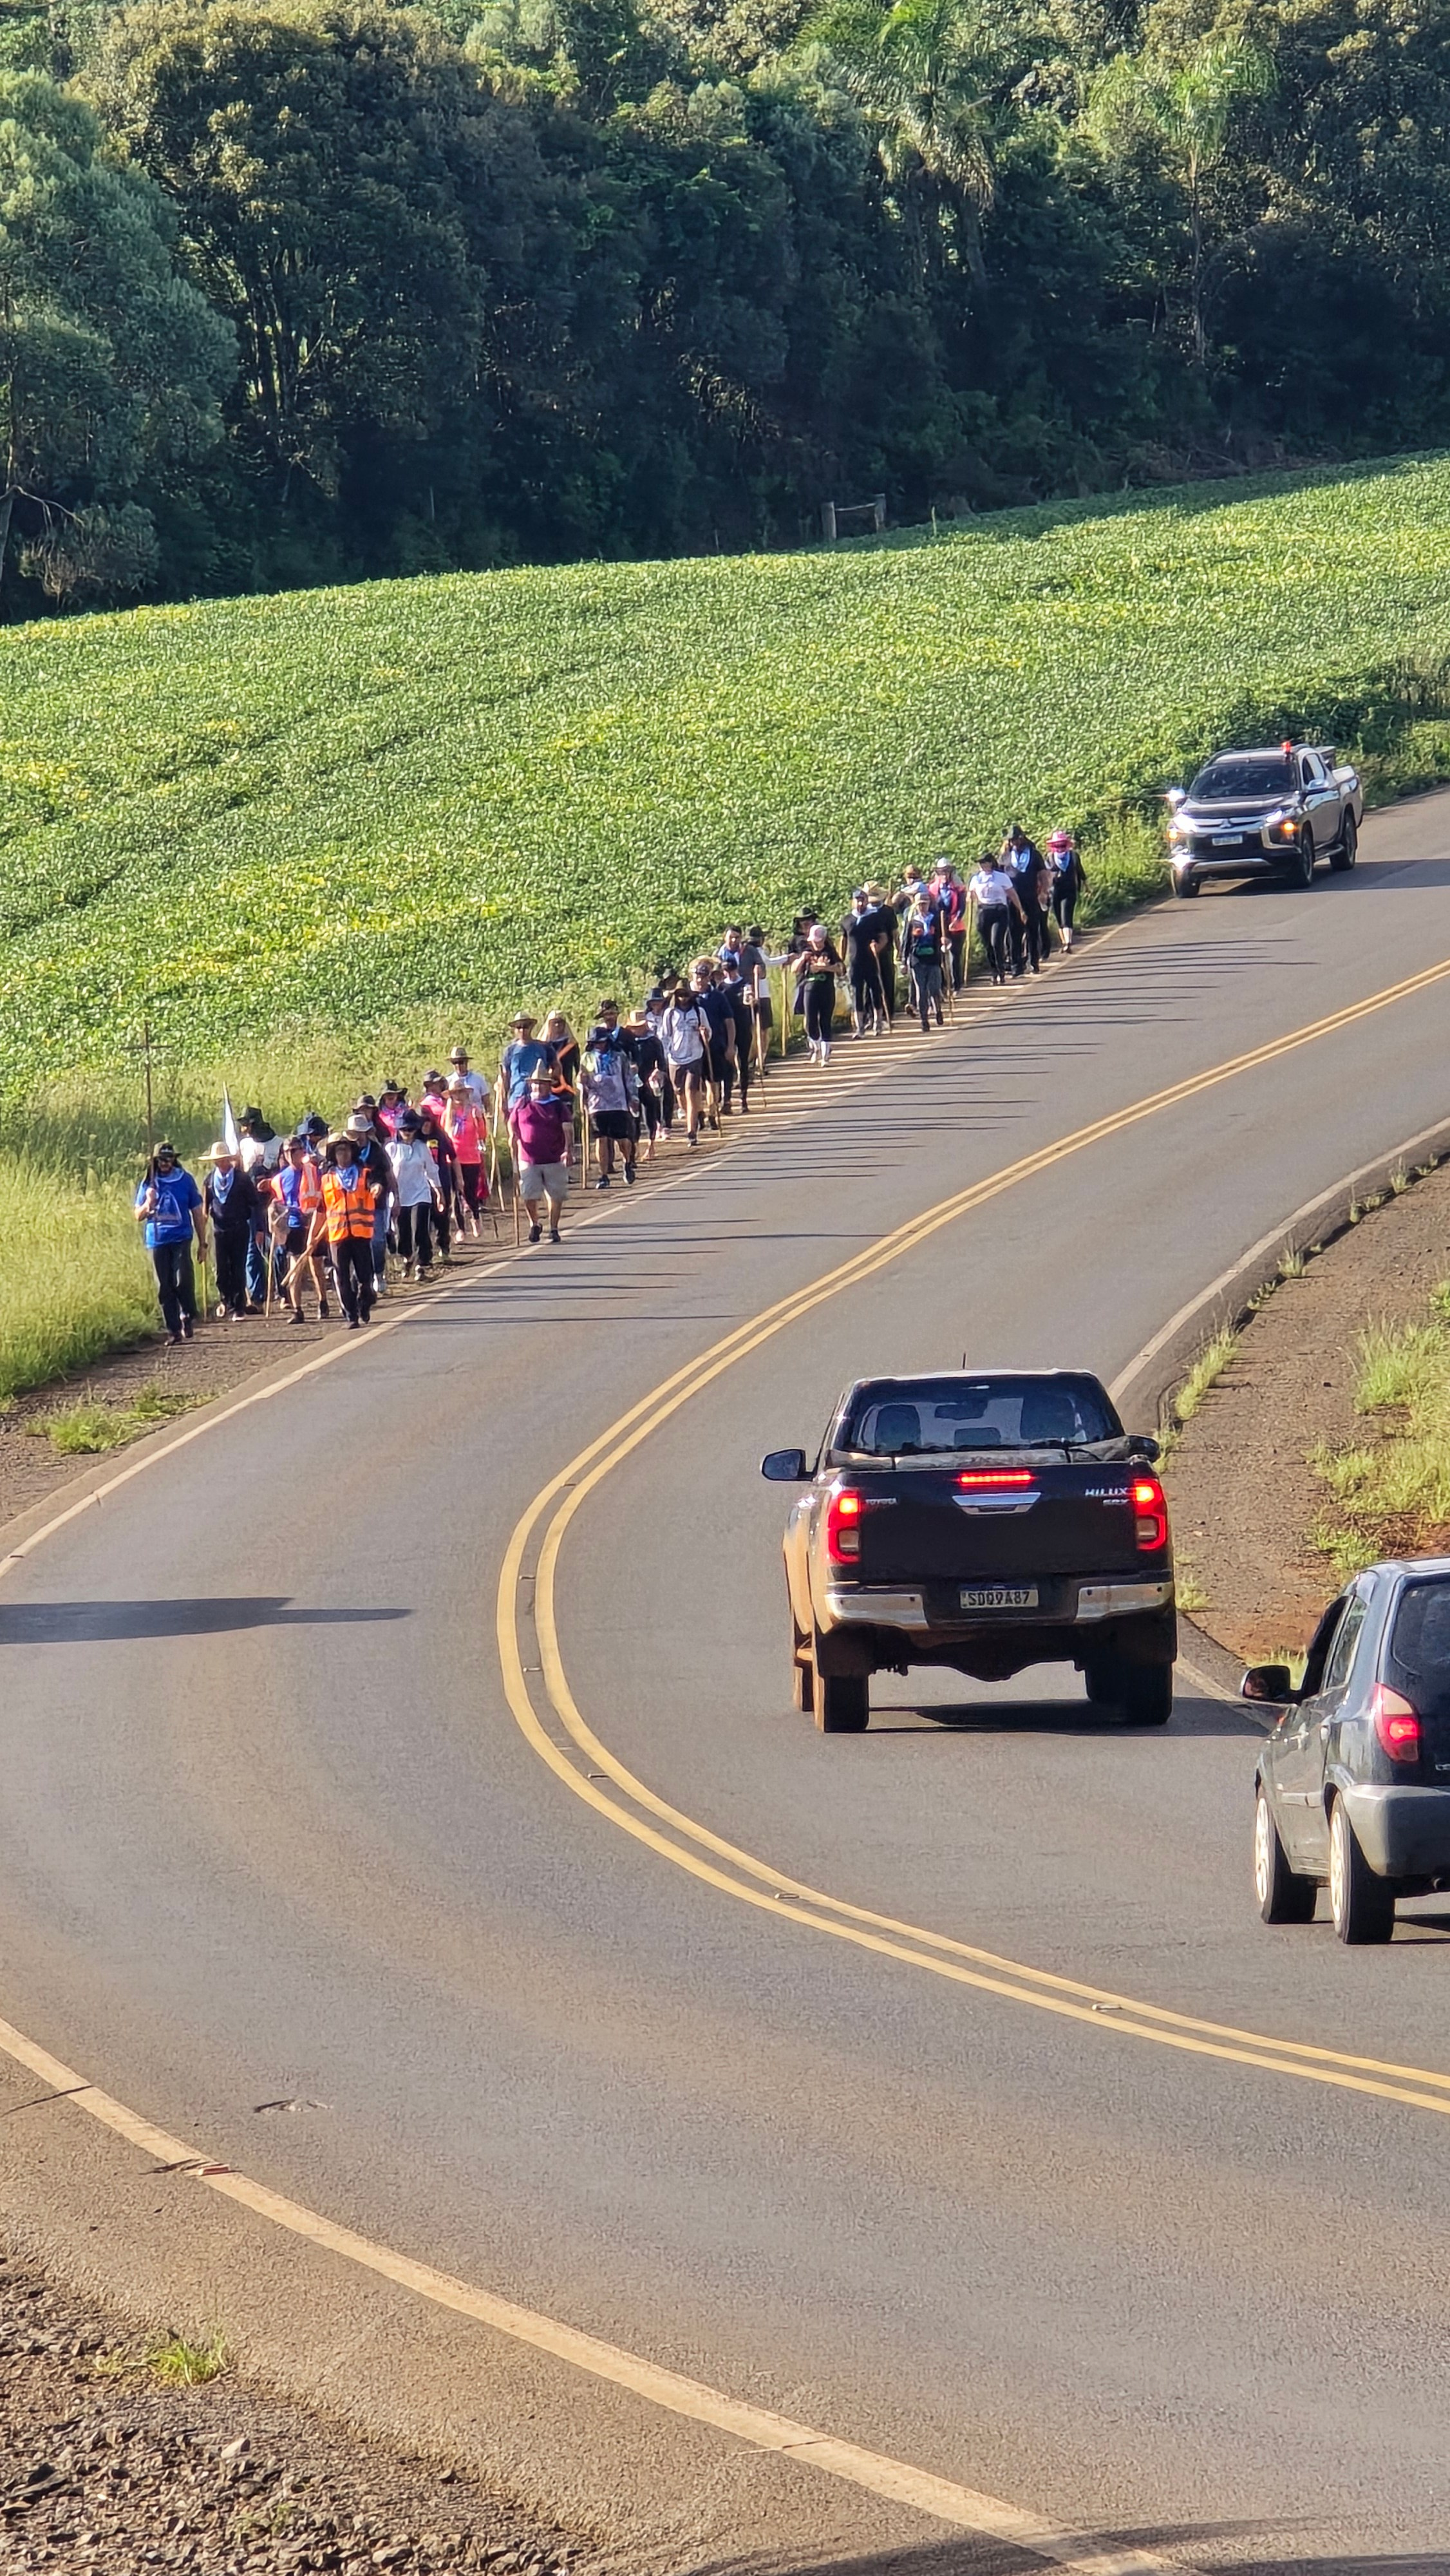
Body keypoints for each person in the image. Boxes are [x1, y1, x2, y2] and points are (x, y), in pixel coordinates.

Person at [133, 1141, 203, 1344]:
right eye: (161, 1160)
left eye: (169, 1159)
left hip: (181, 1236)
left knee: (183, 1281)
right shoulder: (148, 1183)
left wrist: (203, 1242)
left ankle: (187, 1314)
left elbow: (197, 1212)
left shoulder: (185, 1180)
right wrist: (148, 1203)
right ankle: (173, 1330)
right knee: (165, 1286)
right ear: (155, 1161)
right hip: (157, 1239)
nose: (165, 1163)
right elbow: (138, 1215)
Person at [311, 1130, 381, 1328]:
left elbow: (375, 1184)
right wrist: (313, 1237)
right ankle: (351, 1316)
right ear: (333, 1154)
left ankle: (365, 1301)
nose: (344, 1154)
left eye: (347, 1149)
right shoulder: (327, 1180)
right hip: (337, 1236)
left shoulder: (364, 1173)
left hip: (361, 1234)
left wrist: (376, 1189)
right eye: (339, 1150)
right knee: (341, 1276)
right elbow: (321, 1210)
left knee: (365, 1277)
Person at [509, 1068, 571, 1242]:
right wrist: (514, 1138)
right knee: (528, 1195)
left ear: (548, 1086)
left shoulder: (557, 1105)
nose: (538, 1087)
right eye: (535, 1083)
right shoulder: (523, 1103)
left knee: (555, 1195)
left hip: (554, 1157)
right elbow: (512, 1123)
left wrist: (568, 1150)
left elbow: (567, 1128)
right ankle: (534, 1223)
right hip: (528, 1158)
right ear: (531, 1085)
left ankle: (554, 1228)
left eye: (542, 1084)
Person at [203, 1143, 263, 1321]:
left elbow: (255, 1205)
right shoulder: (209, 1180)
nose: (219, 1163)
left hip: (239, 1228)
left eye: (222, 1159)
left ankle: (238, 1307)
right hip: (219, 1230)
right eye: (216, 1160)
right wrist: (202, 1227)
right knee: (222, 1270)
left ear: (228, 1159)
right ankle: (226, 1301)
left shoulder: (242, 1179)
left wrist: (260, 1228)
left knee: (238, 1268)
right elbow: (206, 1206)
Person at [269, 1133, 326, 1322]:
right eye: (287, 1151)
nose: (290, 1154)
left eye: (294, 1150)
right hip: (294, 1226)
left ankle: (323, 1301)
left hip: (314, 1222)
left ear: (302, 1151)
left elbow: (322, 1193)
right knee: (296, 1267)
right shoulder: (280, 1179)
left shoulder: (314, 1171)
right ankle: (297, 1310)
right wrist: (275, 1214)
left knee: (317, 1265)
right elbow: (279, 1202)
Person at [581, 1003, 638, 1188]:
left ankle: (627, 1162)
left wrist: (633, 1098)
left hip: (618, 1103)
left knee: (622, 1140)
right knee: (601, 1139)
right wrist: (582, 1086)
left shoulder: (619, 1056)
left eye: (603, 1041)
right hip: (597, 1105)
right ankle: (603, 1175)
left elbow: (628, 1078)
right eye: (597, 1042)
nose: (600, 1045)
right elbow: (581, 1082)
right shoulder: (587, 1059)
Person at [388, 1110, 446, 1278]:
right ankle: (408, 1258)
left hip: (420, 1194)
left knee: (420, 1229)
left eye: (411, 1129)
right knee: (403, 1235)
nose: (407, 1133)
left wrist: (439, 1192)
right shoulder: (391, 1149)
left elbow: (432, 1171)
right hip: (399, 1198)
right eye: (404, 1129)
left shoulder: (422, 1148)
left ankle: (420, 1265)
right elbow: (386, 1174)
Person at [237, 1106, 283, 1308]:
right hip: (250, 1203)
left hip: (274, 1201)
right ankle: (257, 1296)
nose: (245, 1129)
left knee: (278, 1247)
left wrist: (271, 1182)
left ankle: (284, 1292)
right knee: (252, 1248)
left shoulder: (278, 1143)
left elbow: (284, 1173)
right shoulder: (244, 1145)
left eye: (247, 1124)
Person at [659, 983, 710, 1145]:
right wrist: (666, 1055)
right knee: (679, 1092)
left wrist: (704, 1033)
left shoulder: (699, 1012)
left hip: (695, 1055)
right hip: (675, 1058)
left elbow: (709, 1032)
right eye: (680, 995)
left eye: (686, 995)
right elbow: (664, 1036)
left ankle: (691, 1132)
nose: (683, 998)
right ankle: (695, 1115)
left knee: (690, 1091)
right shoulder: (670, 1014)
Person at [968, 851, 1023, 985]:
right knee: (987, 945)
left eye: (984, 862)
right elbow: (971, 894)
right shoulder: (976, 879)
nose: (982, 865)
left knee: (996, 942)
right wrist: (970, 898)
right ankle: (994, 971)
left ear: (991, 863)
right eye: (980, 863)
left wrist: (1021, 910)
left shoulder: (1001, 877)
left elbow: (1012, 894)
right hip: (983, 912)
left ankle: (1001, 970)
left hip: (999, 911)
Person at [690, 960, 737, 1117]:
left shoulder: (718, 997)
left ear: (708, 977)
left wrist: (730, 1046)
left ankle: (712, 1113)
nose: (699, 980)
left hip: (715, 1045)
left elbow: (729, 1021)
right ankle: (699, 1113)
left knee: (713, 1082)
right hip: (693, 1048)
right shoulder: (688, 998)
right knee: (694, 1085)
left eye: (702, 977)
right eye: (697, 976)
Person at [442, 1079, 489, 1235]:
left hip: (471, 1157)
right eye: (455, 1093)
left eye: (461, 1092)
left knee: (470, 1191)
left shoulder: (474, 1111)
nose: (458, 1096)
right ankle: (461, 1228)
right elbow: (444, 1136)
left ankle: (476, 1217)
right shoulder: (447, 1114)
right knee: (456, 1193)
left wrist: (480, 1119)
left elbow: (482, 1133)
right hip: (453, 1158)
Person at [842, 889, 890, 1036]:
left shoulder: (874, 918)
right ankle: (860, 1026)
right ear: (853, 901)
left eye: (863, 900)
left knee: (875, 990)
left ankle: (878, 1022)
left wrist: (878, 947)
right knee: (857, 992)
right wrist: (841, 960)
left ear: (867, 901)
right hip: (855, 961)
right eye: (858, 900)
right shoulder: (847, 920)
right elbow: (843, 941)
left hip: (871, 960)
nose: (860, 903)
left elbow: (884, 937)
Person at [627, 1007, 669, 1157]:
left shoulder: (653, 1041)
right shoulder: (627, 1043)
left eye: (640, 1026)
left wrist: (658, 1072)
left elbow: (662, 1062)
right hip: (632, 1082)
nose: (637, 1030)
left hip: (649, 1080)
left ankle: (651, 1144)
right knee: (633, 1116)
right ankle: (635, 1146)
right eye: (634, 1027)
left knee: (649, 1112)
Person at [900, 893, 945, 1030]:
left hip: (933, 959)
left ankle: (938, 1010)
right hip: (917, 960)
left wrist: (944, 942)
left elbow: (943, 936)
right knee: (921, 990)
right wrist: (903, 961)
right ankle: (924, 1019)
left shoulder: (936, 919)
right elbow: (906, 942)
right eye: (920, 904)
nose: (922, 907)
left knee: (934, 988)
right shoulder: (912, 922)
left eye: (925, 904)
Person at [799, 923, 841, 1064]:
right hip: (809, 989)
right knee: (811, 1021)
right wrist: (803, 961)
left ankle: (826, 1054)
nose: (816, 944)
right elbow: (795, 969)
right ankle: (816, 1047)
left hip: (826, 989)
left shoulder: (830, 952)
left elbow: (841, 969)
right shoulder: (807, 952)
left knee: (825, 1020)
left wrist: (827, 968)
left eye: (819, 940)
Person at [498, 1014, 558, 1111]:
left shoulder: (544, 1047)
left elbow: (556, 1066)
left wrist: (551, 1078)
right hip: (517, 1098)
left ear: (531, 1027)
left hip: (540, 1098)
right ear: (515, 1029)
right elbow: (506, 1077)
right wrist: (503, 1100)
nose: (522, 1030)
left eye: (525, 1026)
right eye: (519, 1027)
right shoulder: (510, 1051)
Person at [1048, 829, 1088, 951]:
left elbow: (1080, 872)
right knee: (1059, 917)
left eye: (1062, 844)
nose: (1060, 847)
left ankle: (1068, 943)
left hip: (1070, 889)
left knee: (1067, 915)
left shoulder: (1073, 856)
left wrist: (1086, 886)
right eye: (1057, 845)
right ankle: (1064, 942)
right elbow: (1045, 874)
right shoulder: (1049, 857)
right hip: (1054, 891)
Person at [938, 861, 969, 992]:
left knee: (954, 956)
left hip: (955, 926)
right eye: (941, 871)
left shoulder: (958, 887)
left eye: (946, 871)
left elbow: (962, 906)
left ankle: (957, 985)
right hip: (940, 925)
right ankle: (944, 986)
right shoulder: (934, 888)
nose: (944, 874)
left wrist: (957, 920)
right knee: (940, 957)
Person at [447, 1044, 490, 1117]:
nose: (458, 1065)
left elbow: (487, 1103)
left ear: (466, 1062)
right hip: (456, 1120)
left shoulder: (478, 1079)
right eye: (455, 1062)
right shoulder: (448, 1082)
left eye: (461, 1062)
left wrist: (488, 1117)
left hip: (477, 1118)